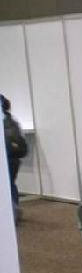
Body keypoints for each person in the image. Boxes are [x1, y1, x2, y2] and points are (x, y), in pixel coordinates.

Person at [3, 95, 27, 223]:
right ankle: (15, 209)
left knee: (5, 186)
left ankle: (12, 213)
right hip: (15, 158)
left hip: (5, 159)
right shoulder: (13, 122)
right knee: (11, 184)